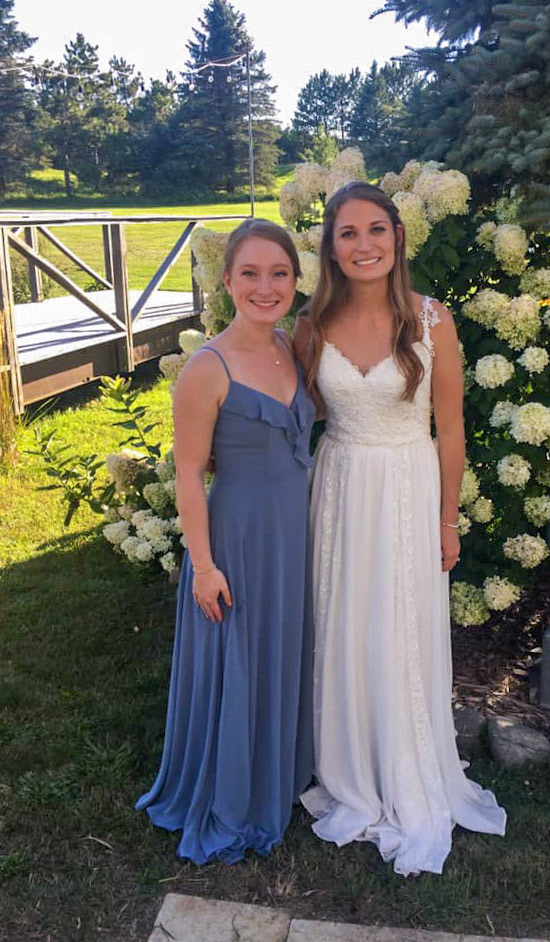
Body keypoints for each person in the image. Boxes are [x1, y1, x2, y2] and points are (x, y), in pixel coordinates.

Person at [294, 182, 506, 876]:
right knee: (342, 623)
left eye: (376, 230)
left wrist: (448, 519)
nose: (364, 245)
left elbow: (453, 430)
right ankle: (348, 764)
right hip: (339, 486)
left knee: (398, 625)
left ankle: (405, 767)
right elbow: (296, 416)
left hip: (408, 488)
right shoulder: (311, 324)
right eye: (348, 233)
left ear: (397, 237)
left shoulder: (431, 319)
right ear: (331, 248)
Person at [136, 219, 316, 864]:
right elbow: (188, 474)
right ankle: (231, 793)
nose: (266, 287)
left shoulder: (293, 348)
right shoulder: (207, 367)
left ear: (295, 280)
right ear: (227, 281)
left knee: (280, 648)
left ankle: (276, 772)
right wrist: (204, 567)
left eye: (279, 273)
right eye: (251, 273)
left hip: (293, 535)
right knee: (239, 657)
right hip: (236, 541)